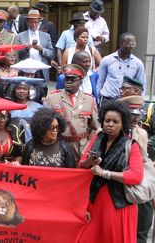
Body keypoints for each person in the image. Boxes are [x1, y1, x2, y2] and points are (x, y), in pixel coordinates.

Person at [78, 101, 143, 243]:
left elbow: (136, 176)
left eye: (115, 121)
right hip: (94, 202)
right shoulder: (97, 138)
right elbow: (81, 165)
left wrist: (105, 173)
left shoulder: (130, 145)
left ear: (123, 124)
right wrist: (90, 162)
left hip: (118, 205)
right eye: (107, 121)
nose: (110, 124)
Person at [117, 95, 151, 243]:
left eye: (138, 115)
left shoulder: (141, 133)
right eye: (132, 115)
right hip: (118, 182)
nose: (136, 119)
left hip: (139, 183)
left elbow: (144, 159)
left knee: (144, 221)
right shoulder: (112, 131)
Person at [45, 64, 99, 158]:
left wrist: (89, 144)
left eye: (73, 79)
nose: (68, 82)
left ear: (81, 82)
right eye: (66, 79)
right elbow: (45, 123)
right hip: (59, 145)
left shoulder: (89, 99)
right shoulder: (53, 97)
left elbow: (95, 127)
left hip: (81, 147)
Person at [97, 32, 146, 107]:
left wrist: (140, 100)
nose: (131, 46)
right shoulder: (107, 60)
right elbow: (100, 81)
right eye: (129, 44)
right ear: (121, 44)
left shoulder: (138, 63)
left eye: (134, 44)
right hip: (107, 100)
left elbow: (142, 84)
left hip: (126, 101)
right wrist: (98, 99)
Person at [16, 9, 54, 84]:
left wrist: (41, 49)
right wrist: (25, 49)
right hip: (25, 70)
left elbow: (51, 53)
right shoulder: (20, 36)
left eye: (35, 22)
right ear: (27, 22)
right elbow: (16, 54)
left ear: (39, 23)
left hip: (41, 70)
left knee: (42, 93)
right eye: (31, 22)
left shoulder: (46, 36)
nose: (33, 25)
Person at [2, 77, 43, 142]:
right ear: (14, 90)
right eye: (18, 88)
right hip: (12, 140)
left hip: (32, 141)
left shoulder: (37, 107)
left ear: (28, 91)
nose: (21, 91)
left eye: (25, 89)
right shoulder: (7, 106)